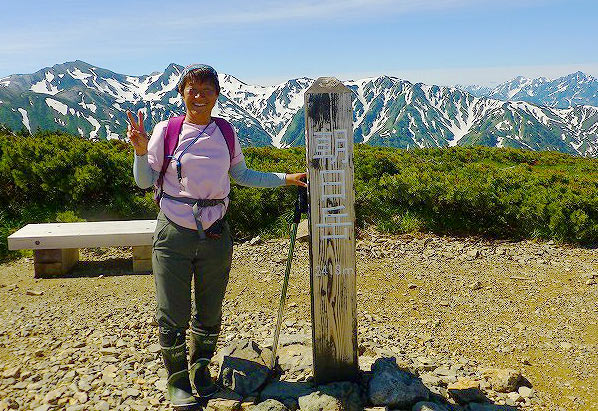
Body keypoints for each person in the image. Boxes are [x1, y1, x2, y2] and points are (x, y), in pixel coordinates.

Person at [128, 64, 306, 409]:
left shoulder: (226, 132)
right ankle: (177, 380)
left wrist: (285, 178)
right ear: (181, 94)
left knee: (210, 311)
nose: (198, 96)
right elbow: (143, 180)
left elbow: (241, 174)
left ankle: (200, 369)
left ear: (217, 96)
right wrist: (138, 150)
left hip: (215, 233)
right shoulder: (167, 130)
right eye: (192, 89)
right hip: (174, 232)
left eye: (206, 90)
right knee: (172, 310)